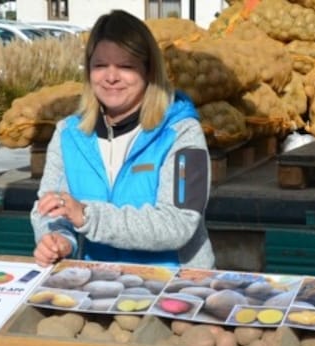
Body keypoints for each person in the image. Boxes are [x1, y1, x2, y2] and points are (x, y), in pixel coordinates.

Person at [31, 9, 215, 269]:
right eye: (100, 66)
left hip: (174, 289)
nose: (111, 77)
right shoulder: (67, 135)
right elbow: (49, 210)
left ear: (149, 71)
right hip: (93, 286)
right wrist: (58, 240)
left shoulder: (182, 132)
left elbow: (178, 223)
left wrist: (87, 216)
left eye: (126, 66)